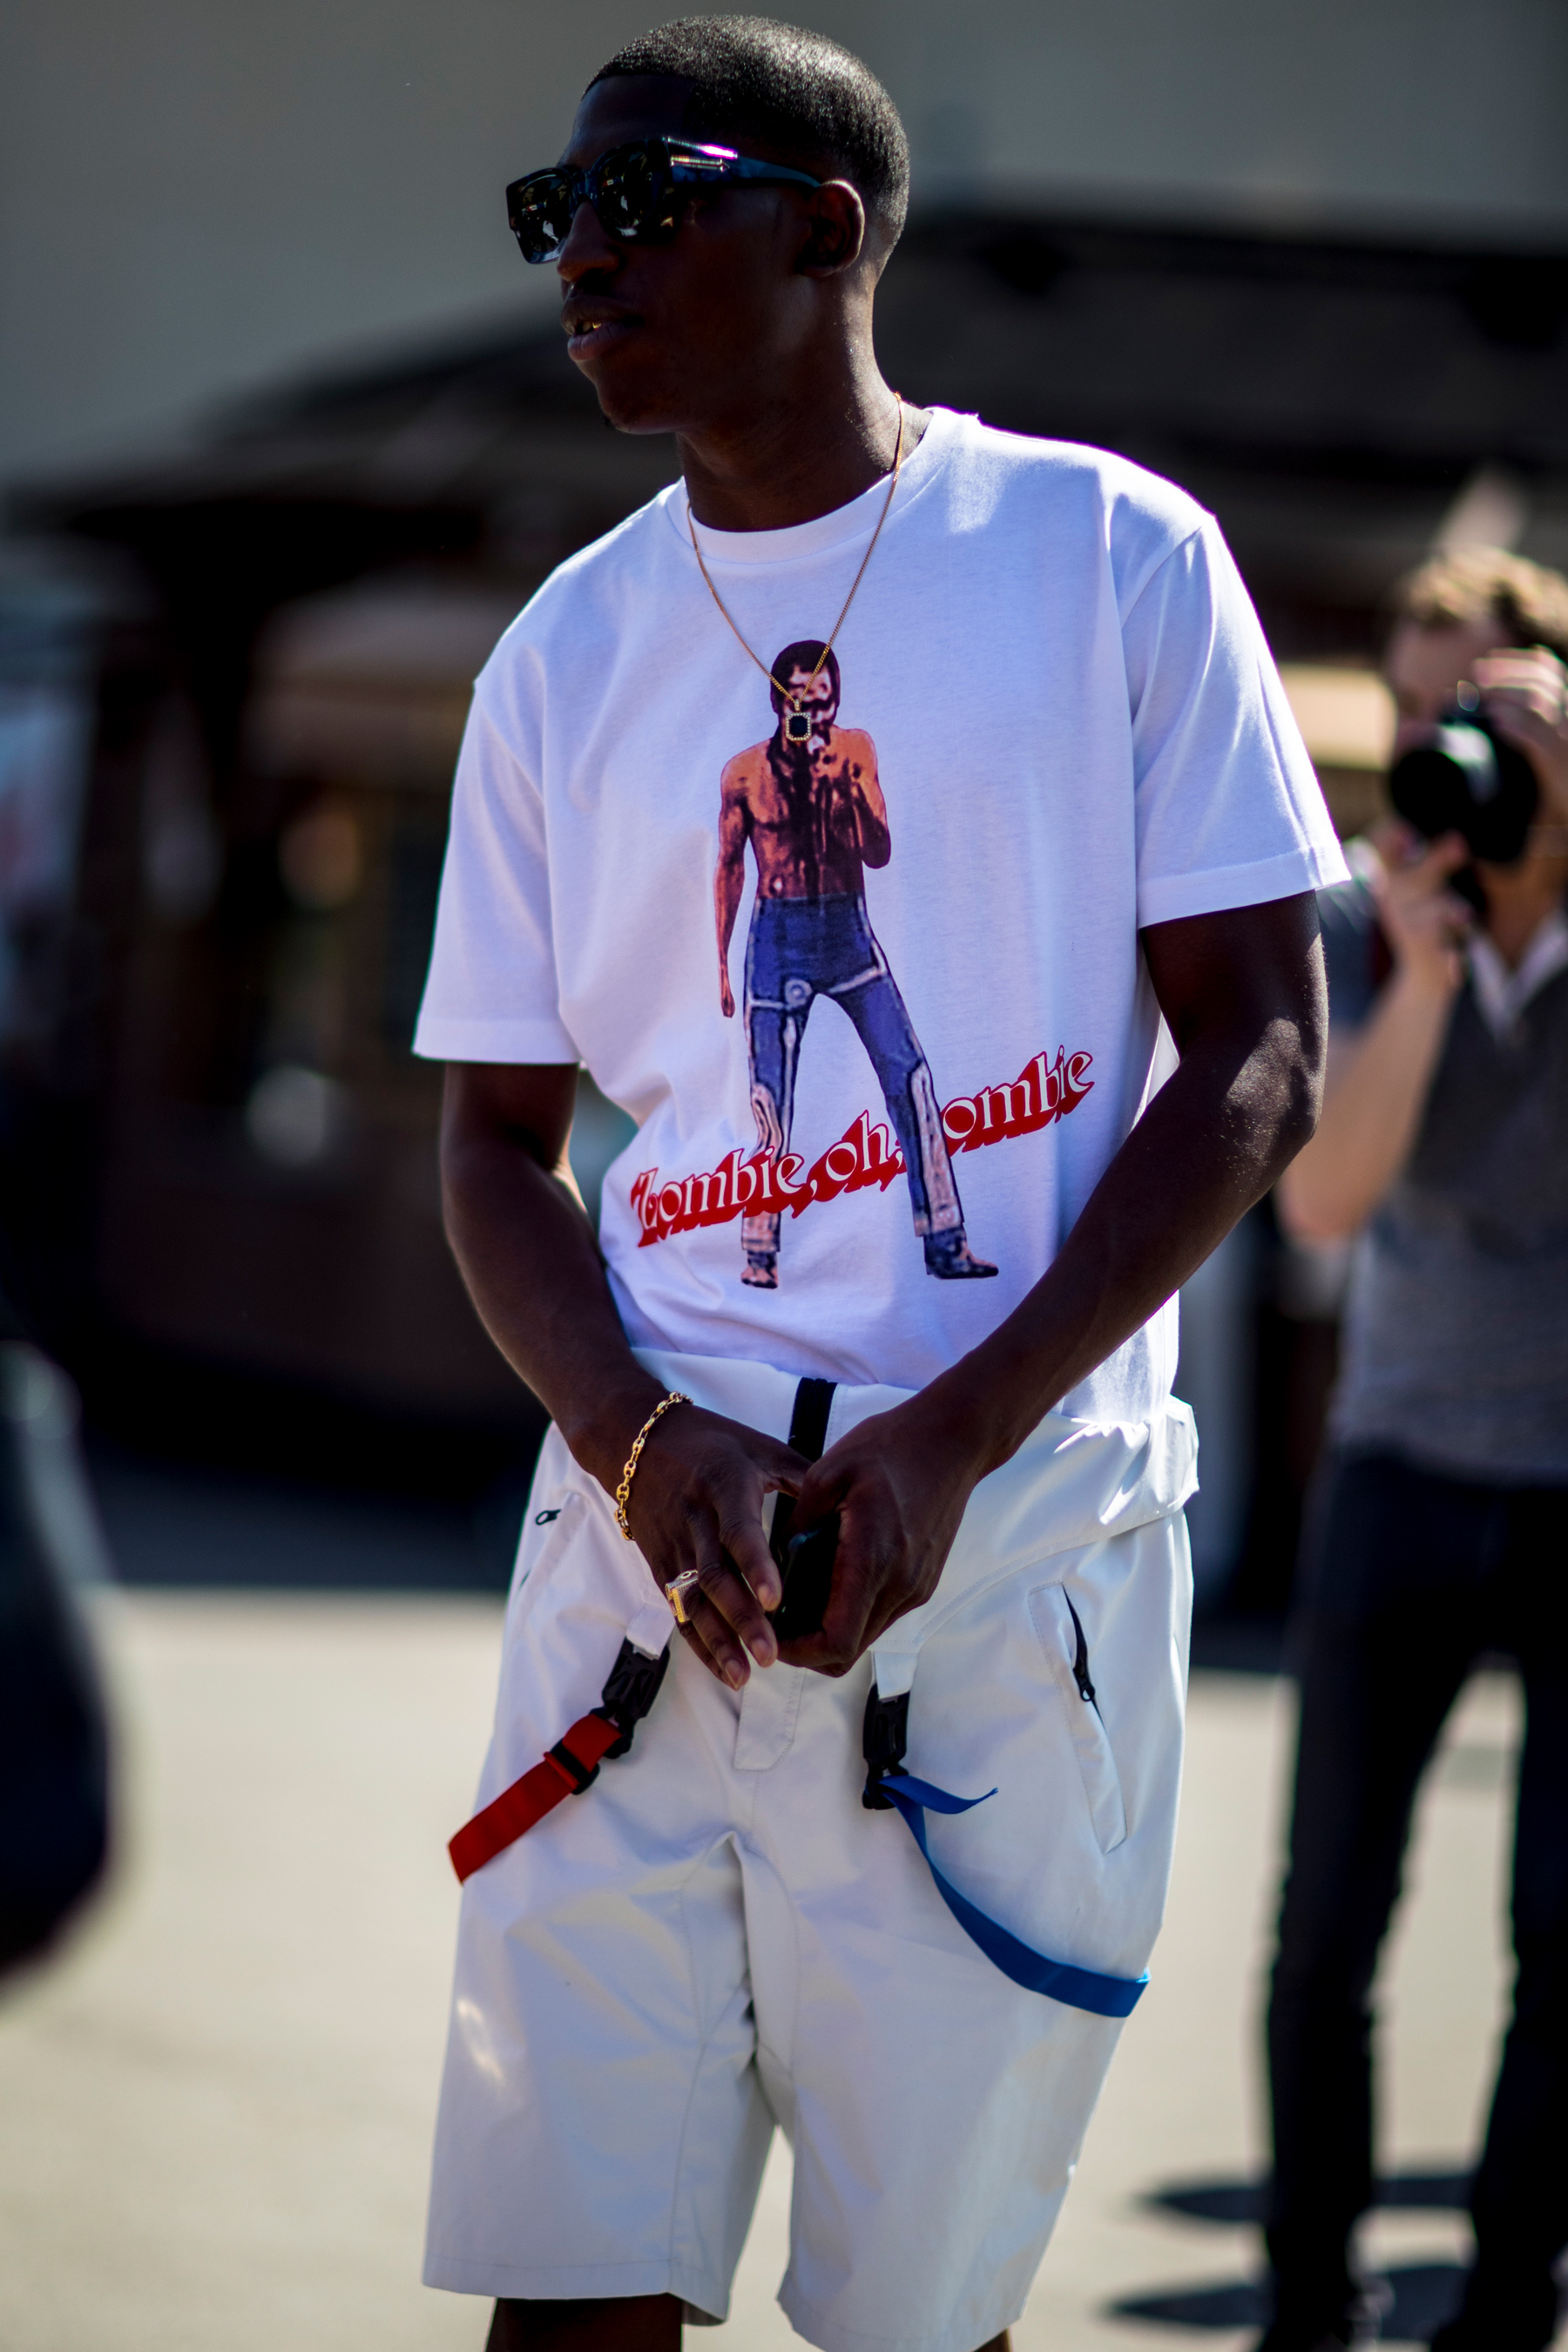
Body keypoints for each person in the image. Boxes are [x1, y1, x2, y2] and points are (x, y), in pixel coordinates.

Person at [412, 18, 1343, 2351]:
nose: (582, 259)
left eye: (641, 201)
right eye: (554, 217)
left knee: (921, 2323)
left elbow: (1261, 1044)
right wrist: (643, 1444)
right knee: (570, 2295)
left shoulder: (1109, 555)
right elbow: (493, 1144)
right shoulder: (563, 652)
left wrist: (951, 1436)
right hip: (646, 1561)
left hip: (1002, 1561)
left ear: (824, 229)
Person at [1260, 547, 1568, 2352]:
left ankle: (1507, 2310)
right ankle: (1308, 2301)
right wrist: (1434, 967)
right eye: (1419, 708)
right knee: (1327, 1931)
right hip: (1399, 1463)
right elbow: (1324, 1204)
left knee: (1566, 1941)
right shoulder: (1364, 923)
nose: (1445, 744)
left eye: (1487, 708)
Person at [714, 638, 993, 1286]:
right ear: (778, 702)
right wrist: (722, 963)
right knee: (770, 1100)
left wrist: (850, 787)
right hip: (779, 934)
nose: (811, 713)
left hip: (845, 926)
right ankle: (758, 1250)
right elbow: (729, 866)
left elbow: (880, 852)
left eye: (823, 700)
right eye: (799, 701)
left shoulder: (855, 750)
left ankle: (945, 1238)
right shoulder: (745, 773)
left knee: (910, 1073)